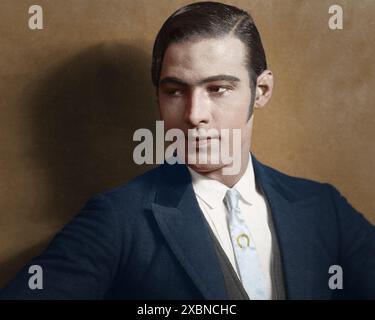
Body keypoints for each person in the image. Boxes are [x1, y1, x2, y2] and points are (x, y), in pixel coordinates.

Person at [1, 1, 374, 300]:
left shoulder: (323, 208)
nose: (194, 115)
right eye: (175, 91)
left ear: (260, 91)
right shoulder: (116, 219)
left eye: (218, 89)